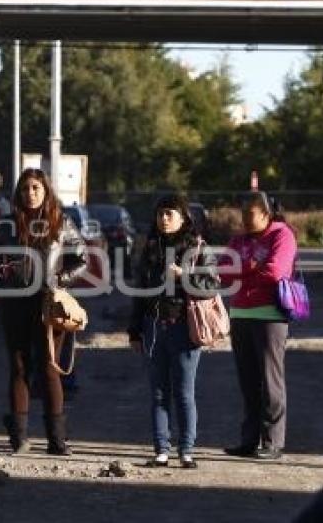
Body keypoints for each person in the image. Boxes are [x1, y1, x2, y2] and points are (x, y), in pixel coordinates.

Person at [0, 168, 88, 456]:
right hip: (14, 304)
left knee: (49, 368)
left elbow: (81, 259)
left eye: (35, 188)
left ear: (45, 190)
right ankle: (19, 438)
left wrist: (61, 280)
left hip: (49, 304)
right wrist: (0, 274)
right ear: (18, 194)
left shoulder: (61, 222)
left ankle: (57, 441)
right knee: (19, 367)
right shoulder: (7, 225)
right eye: (25, 189)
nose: (30, 193)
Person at [127, 194, 220, 469]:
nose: (164, 219)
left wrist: (183, 276)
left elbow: (212, 286)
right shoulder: (150, 247)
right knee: (158, 392)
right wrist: (134, 330)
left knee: (183, 392)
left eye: (170, 214)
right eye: (160, 214)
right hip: (153, 326)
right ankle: (161, 450)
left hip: (184, 326)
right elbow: (140, 293)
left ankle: (187, 450)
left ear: (183, 217)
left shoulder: (198, 247)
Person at [221, 191, 296, 461]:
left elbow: (276, 272)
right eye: (241, 214)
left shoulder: (282, 235)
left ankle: (273, 441)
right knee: (248, 382)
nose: (244, 219)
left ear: (266, 214)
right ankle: (250, 440)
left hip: (269, 316)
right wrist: (252, 267)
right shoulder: (238, 239)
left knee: (270, 381)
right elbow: (223, 270)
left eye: (249, 214)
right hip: (240, 313)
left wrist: (243, 270)